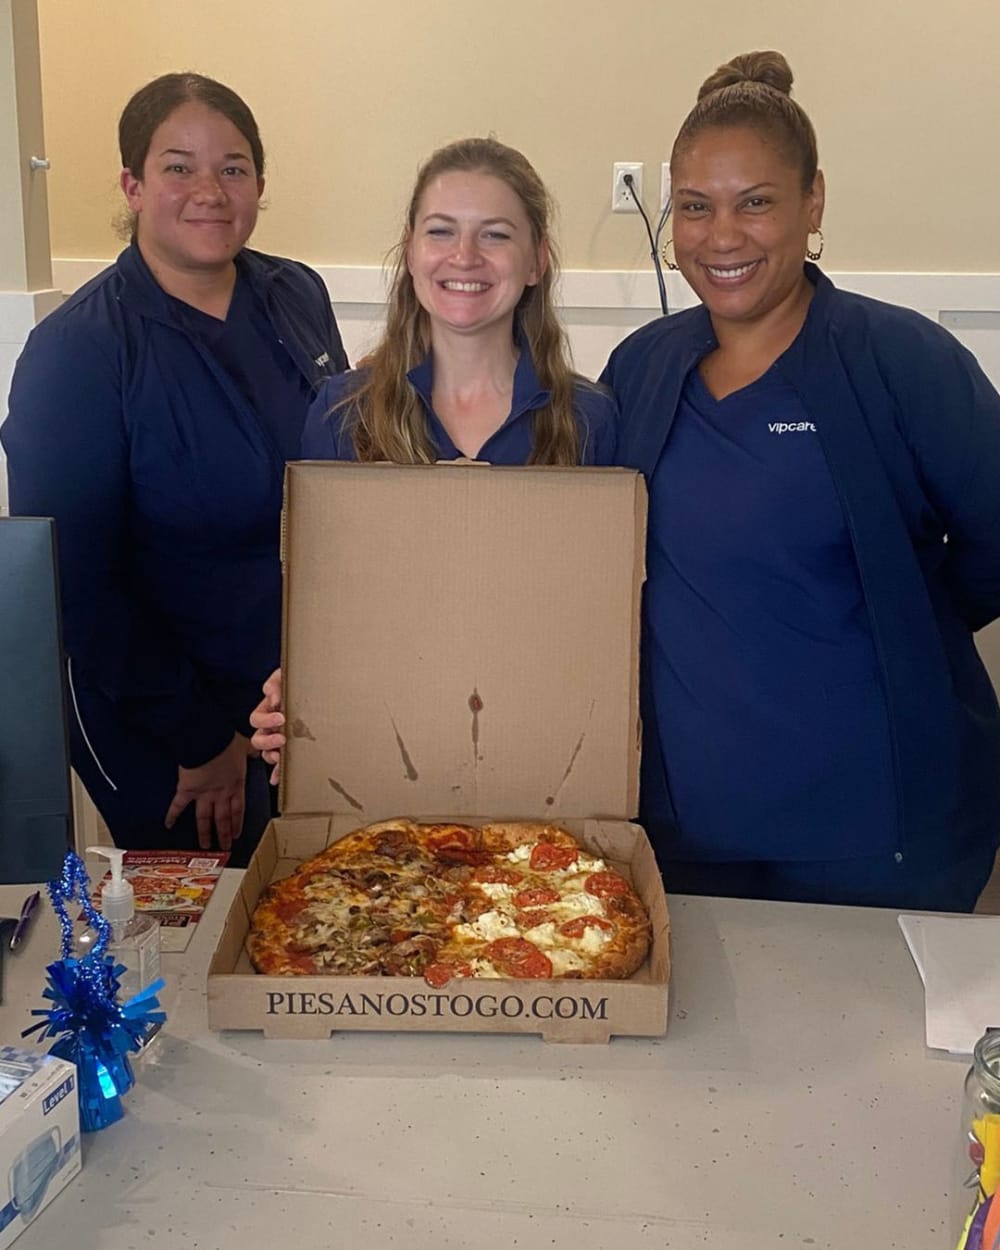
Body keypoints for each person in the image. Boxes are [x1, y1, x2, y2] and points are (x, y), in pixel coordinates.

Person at [602, 50, 1000, 911]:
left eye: (757, 203)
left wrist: (906, 614)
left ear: (813, 201)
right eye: (697, 208)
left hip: (876, 829)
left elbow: (994, 544)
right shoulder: (639, 370)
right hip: (678, 827)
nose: (722, 236)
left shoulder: (904, 362)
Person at [1, 73, 348, 868]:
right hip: (158, 716)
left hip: (289, 697)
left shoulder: (295, 293)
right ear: (132, 184)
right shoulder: (78, 352)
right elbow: (74, 583)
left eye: (233, 168)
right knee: (194, 946)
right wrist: (200, 741)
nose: (211, 192)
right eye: (178, 167)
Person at [250, 136, 617, 772]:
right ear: (412, 251)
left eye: (496, 235)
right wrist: (298, 694)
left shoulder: (590, 420)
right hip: (384, 764)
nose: (464, 257)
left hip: (539, 760)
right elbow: (325, 613)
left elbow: (602, 633)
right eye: (441, 231)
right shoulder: (343, 414)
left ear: (537, 261)